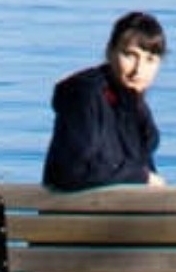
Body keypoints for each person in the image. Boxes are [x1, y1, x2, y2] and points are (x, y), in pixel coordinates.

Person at [42, 11, 165, 191]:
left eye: (150, 60)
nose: (138, 70)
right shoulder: (86, 95)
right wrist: (141, 176)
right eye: (130, 55)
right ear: (110, 52)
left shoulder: (133, 105)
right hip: (80, 215)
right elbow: (73, 171)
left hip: (119, 213)